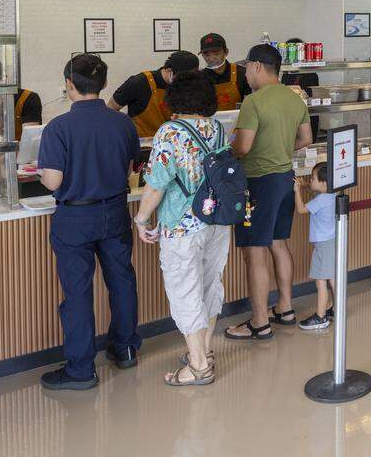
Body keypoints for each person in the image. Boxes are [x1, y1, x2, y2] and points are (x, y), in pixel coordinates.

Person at [37, 54, 141, 391]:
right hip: (114, 211)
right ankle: (124, 349)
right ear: (105, 84)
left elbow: (53, 181)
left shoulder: (58, 128)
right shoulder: (124, 124)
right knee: (121, 281)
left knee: (78, 293)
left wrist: (41, 172)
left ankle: (81, 369)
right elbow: (128, 170)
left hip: (75, 217)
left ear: (69, 84)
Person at [133, 69, 230, 387]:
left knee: (185, 290)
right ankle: (203, 350)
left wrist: (142, 218)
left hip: (182, 227)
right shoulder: (216, 128)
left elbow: (156, 185)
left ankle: (199, 366)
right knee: (208, 284)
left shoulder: (169, 132)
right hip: (216, 219)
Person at [223, 44, 313, 341]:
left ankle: (260, 321)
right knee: (278, 242)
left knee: (255, 252)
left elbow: (243, 146)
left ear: (258, 66)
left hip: (258, 183)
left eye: (247, 68)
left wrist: (227, 152)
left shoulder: (254, 102)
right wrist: (280, 150)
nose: (246, 73)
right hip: (285, 178)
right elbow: (306, 138)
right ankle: (285, 308)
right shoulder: (295, 98)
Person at [109, 51, 200, 138]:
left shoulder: (184, 86)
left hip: (169, 142)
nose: (186, 83)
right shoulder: (139, 82)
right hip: (141, 145)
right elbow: (111, 108)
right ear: (169, 70)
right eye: (183, 78)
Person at [293, 162, 336, 331]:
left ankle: (320, 316)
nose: (310, 181)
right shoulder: (332, 195)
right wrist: (307, 185)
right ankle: (336, 309)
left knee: (320, 282)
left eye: (312, 178)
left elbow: (302, 209)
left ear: (324, 183)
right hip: (331, 242)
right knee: (333, 279)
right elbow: (317, 190)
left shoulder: (320, 200)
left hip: (323, 246)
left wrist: (298, 191)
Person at [198, 33, 251, 112]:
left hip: (238, 121)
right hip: (210, 123)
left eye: (216, 53)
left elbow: (249, 105)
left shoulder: (242, 73)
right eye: (206, 54)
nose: (211, 58)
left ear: (226, 52)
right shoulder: (200, 78)